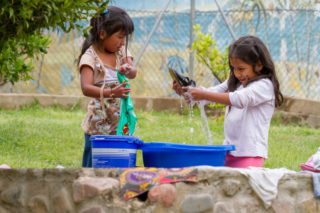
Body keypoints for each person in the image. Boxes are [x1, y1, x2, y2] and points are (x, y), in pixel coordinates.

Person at [173, 35, 284, 168]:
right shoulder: (236, 81)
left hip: (250, 155)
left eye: (241, 68)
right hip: (228, 151)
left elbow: (240, 99)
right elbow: (212, 92)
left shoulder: (264, 85)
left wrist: (203, 94)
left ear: (259, 65)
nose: (237, 73)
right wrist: (188, 92)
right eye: (233, 68)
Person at [78, 6, 137, 167]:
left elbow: (133, 72)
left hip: (120, 122)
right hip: (97, 126)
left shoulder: (121, 52)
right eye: (119, 36)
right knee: (94, 166)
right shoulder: (90, 58)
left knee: (120, 163)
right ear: (102, 33)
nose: (123, 42)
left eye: (125, 37)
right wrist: (112, 92)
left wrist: (128, 69)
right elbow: (86, 87)